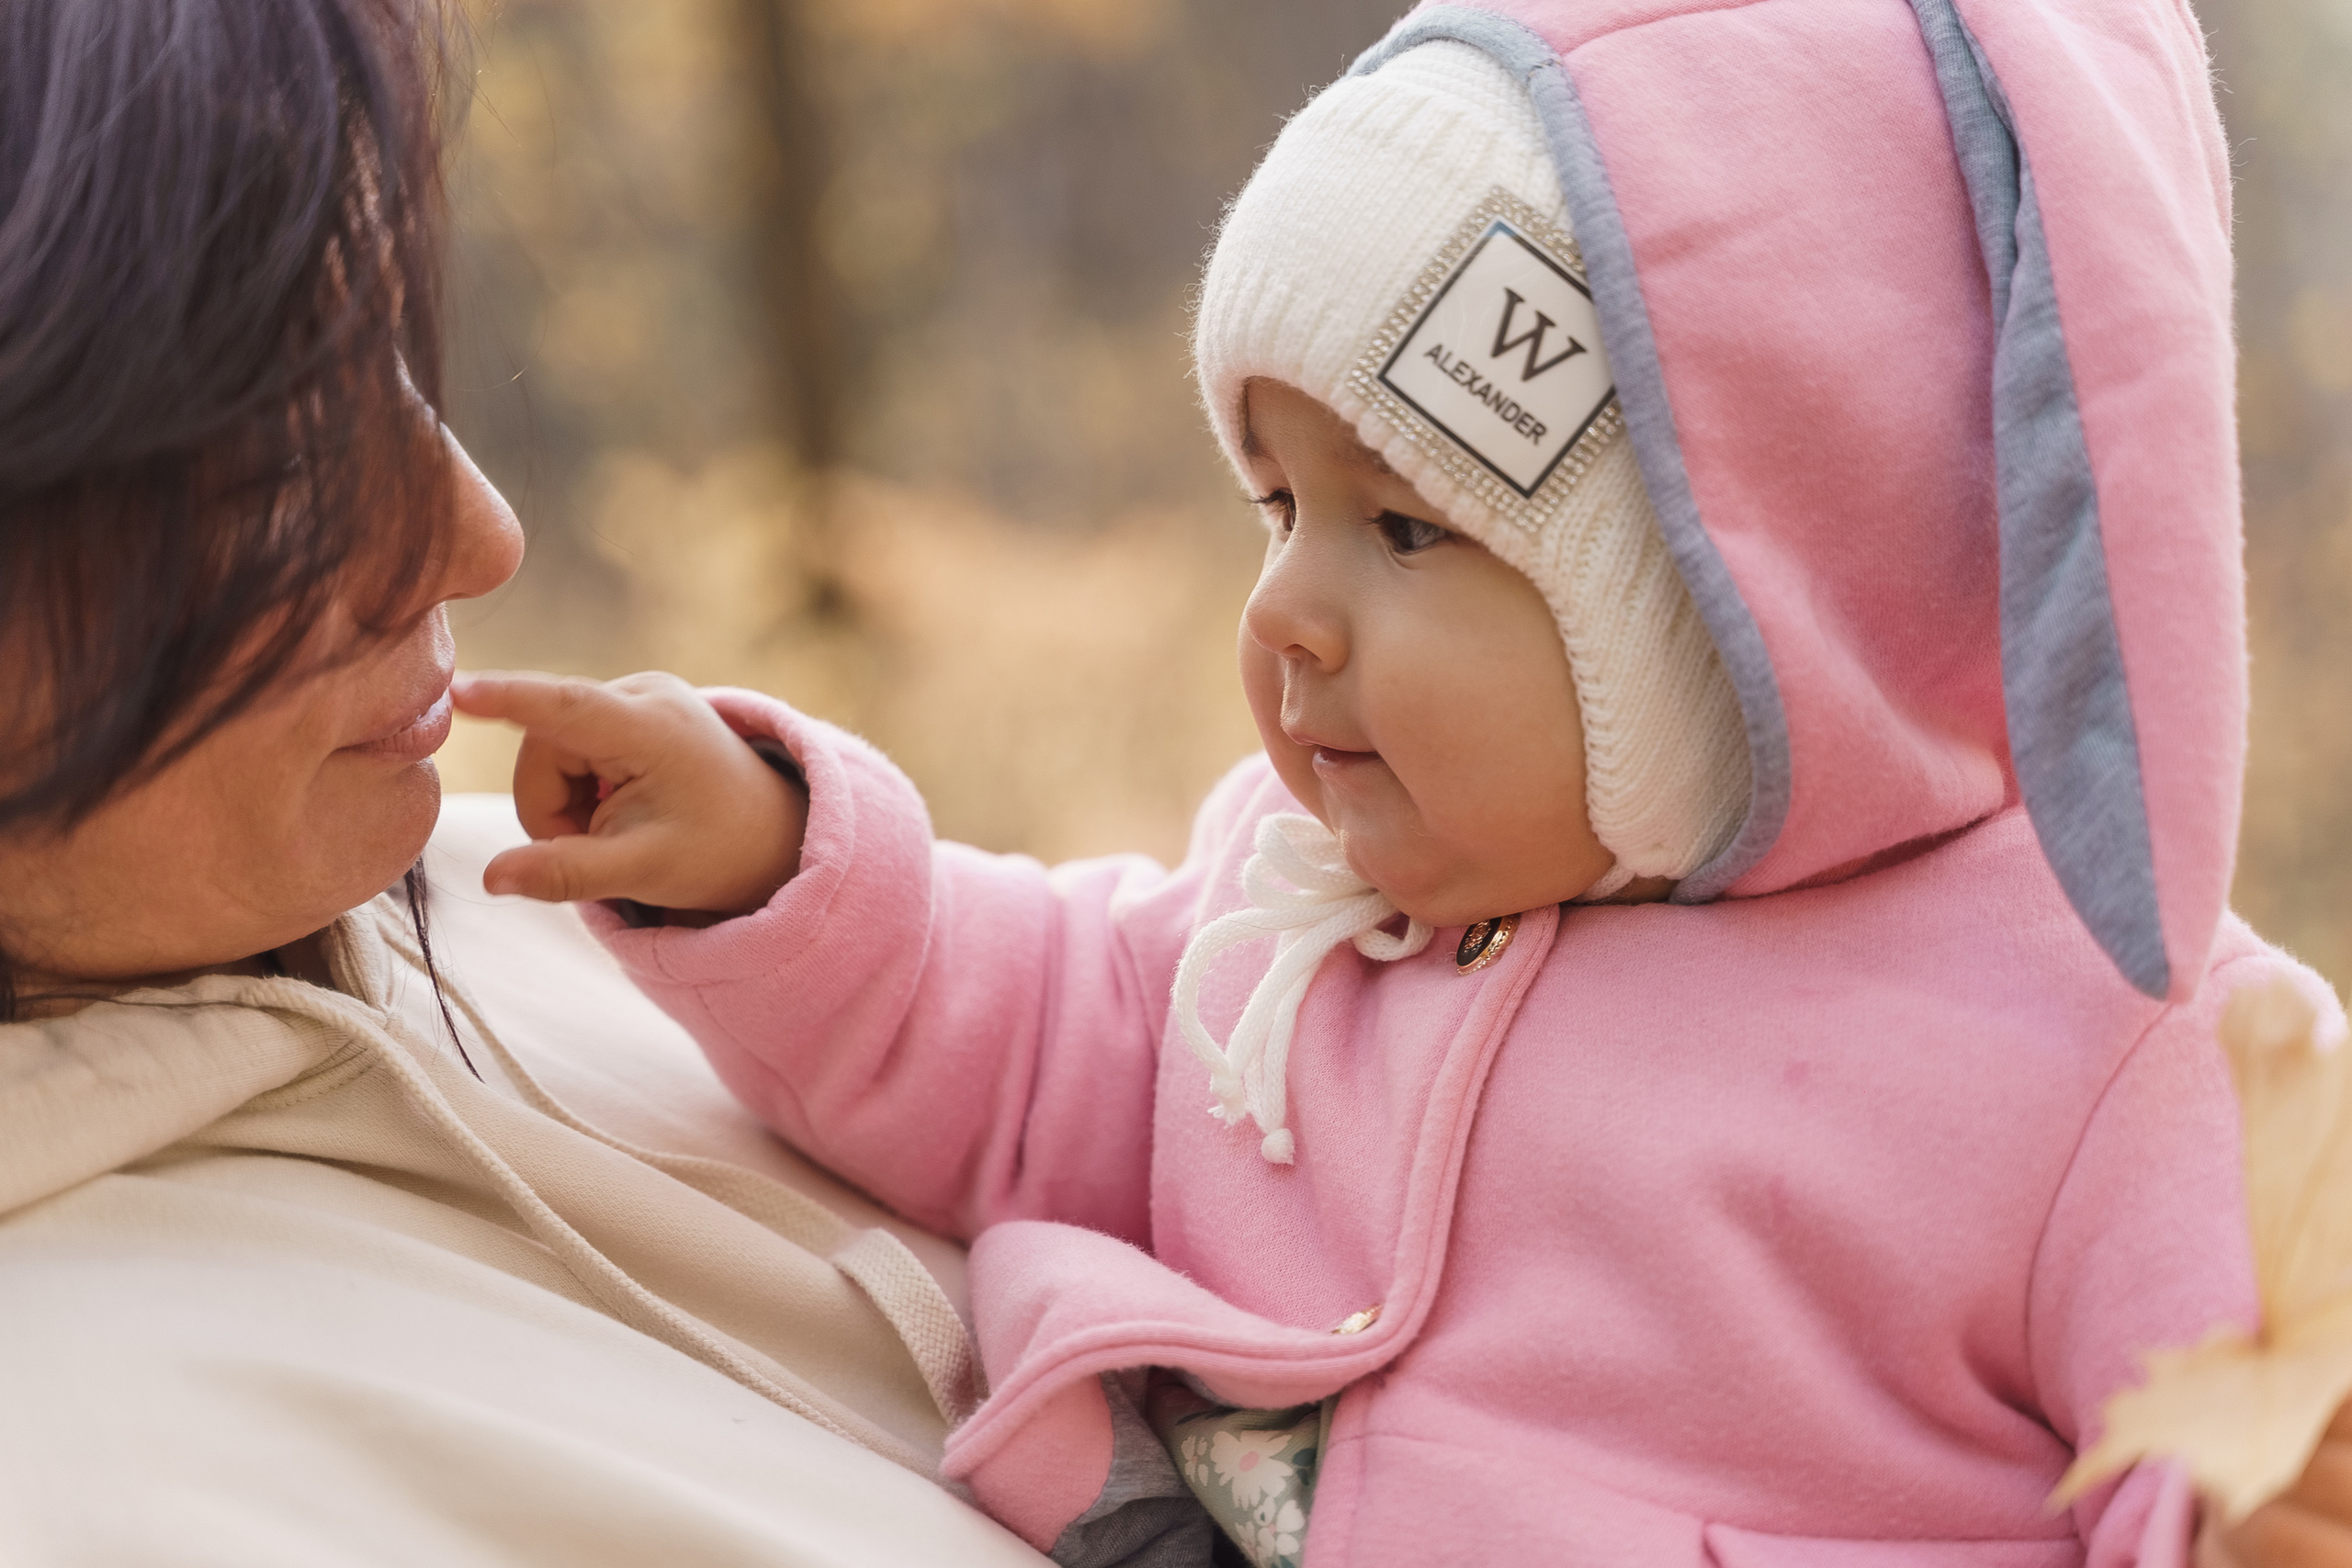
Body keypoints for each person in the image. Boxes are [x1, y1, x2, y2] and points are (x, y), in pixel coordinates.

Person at [454, 4, 2349, 1568]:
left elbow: (2237, 1403)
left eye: (1408, 528)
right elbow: (1039, 1039)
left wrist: (2251, 1497)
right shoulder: (1307, 899)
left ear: (1739, 613)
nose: (1283, 603)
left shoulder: (2105, 1046)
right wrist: (777, 857)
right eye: (1278, 505)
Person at [0, 1, 1049, 1561]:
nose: (479, 536)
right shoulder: (92, 1480)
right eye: (282, 460)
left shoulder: (591, 910)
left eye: (395, 375)